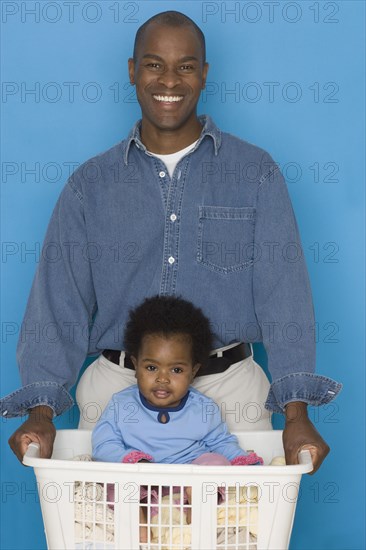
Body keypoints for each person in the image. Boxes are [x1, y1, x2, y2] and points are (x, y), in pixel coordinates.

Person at [1, 11, 341, 474]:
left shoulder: (255, 173)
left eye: (185, 66)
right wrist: (40, 414)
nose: (169, 80)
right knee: (107, 536)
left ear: (204, 74)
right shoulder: (90, 185)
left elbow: (286, 297)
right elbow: (58, 303)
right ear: (132, 70)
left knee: (233, 534)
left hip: (232, 395)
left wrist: (296, 414)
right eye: (154, 63)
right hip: (115, 396)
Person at [92, 295, 263, 543]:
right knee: (118, 488)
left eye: (176, 370)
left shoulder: (203, 408)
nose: (162, 378)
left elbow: (221, 442)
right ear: (135, 365)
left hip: (188, 485)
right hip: (141, 484)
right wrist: (132, 461)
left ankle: (195, 530)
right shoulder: (121, 405)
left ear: (193, 371)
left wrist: (242, 460)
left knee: (214, 462)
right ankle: (142, 537)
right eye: (151, 368)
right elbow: (103, 445)